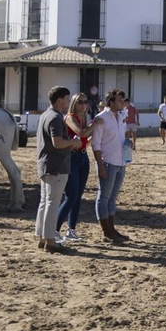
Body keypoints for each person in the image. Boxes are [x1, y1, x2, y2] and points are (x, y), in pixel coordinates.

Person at [35, 87, 81, 254]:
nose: (68, 102)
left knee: (45, 202)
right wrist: (73, 143)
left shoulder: (45, 115)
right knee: (52, 203)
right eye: (67, 99)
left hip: (46, 164)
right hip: (56, 165)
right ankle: (50, 241)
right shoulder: (55, 117)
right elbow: (57, 142)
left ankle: (41, 237)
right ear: (60, 99)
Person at [56, 93, 97, 245]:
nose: (84, 104)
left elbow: (84, 140)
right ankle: (55, 229)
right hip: (72, 159)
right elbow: (81, 133)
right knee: (71, 196)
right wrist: (95, 124)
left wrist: (92, 136)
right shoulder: (70, 117)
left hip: (82, 157)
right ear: (74, 103)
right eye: (80, 102)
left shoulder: (84, 119)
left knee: (78, 196)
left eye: (86, 102)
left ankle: (71, 230)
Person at [88, 90, 128, 245]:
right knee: (103, 197)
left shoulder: (121, 116)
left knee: (112, 198)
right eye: (119, 100)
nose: (122, 102)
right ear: (110, 101)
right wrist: (100, 164)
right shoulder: (101, 118)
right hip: (108, 162)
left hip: (120, 161)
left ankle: (112, 229)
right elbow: (95, 144)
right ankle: (106, 231)